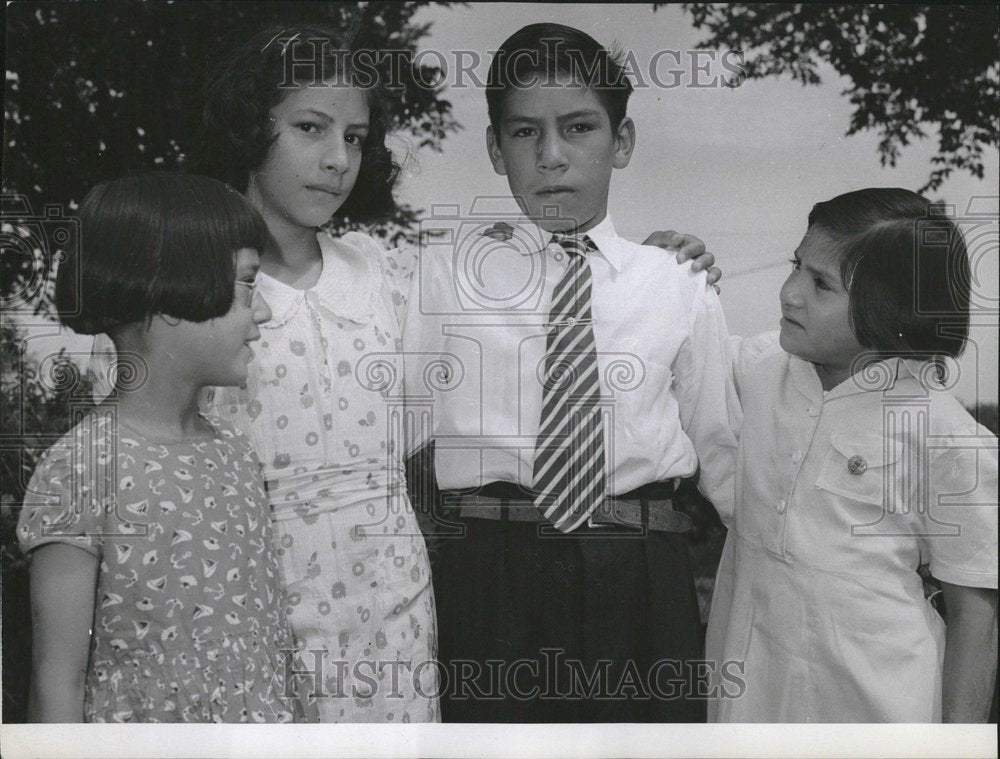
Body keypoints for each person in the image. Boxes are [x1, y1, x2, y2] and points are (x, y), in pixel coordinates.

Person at [88, 24, 718, 722]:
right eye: (309, 128)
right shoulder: (185, 288)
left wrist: (664, 264)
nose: (336, 159)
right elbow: (134, 450)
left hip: (390, 605)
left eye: (354, 138)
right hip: (250, 588)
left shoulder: (385, 276)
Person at [402, 23, 739, 722]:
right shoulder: (443, 276)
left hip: (643, 571)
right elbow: (392, 432)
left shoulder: (675, 281)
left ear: (622, 142)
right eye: (524, 134)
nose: (551, 156)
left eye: (579, 127)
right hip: (489, 574)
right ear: (496, 150)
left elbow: (723, 454)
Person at [17, 173, 317, 723]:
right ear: (176, 295)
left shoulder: (235, 453)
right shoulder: (81, 470)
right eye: (248, 285)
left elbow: (272, 646)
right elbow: (56, 682)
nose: (265, 314)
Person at [706, 188, 998, 722]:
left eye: (820, 284)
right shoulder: (757, 368)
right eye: (797, 266)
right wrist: (658, 269)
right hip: (752, 698)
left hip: (879, 709)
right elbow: (676, 352)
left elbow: (976, 612)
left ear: (888, 308)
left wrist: (961, 743)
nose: (790, 293)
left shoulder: (942, 431)